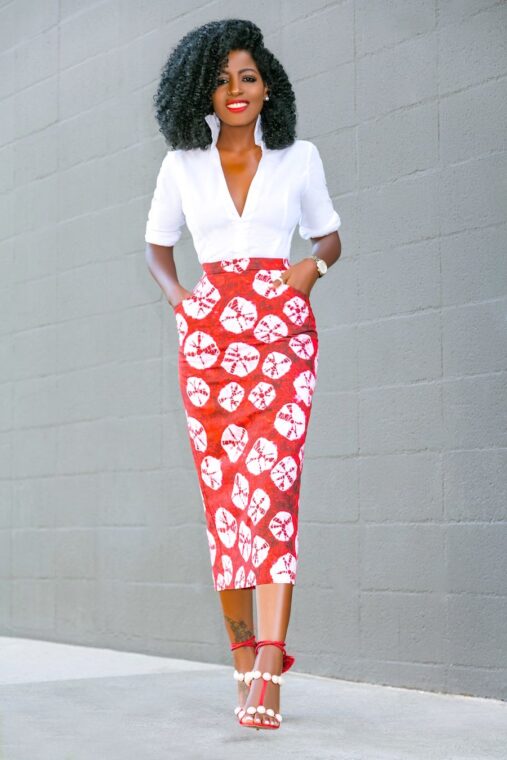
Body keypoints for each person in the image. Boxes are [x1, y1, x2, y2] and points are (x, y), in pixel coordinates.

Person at [144, 18, 342, 731]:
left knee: (273, 491)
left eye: (248, 77)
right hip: (209, 346)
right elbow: (157, 248)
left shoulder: (299, 157)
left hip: (281, 336)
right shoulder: (180, 165)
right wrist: (183, 305)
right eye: (222, 79)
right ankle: (239, 665)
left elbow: (329, 234)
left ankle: (270, 668)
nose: (236, 90)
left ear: (268, 87)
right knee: (225, 506)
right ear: (199, 89)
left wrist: (305, 273)